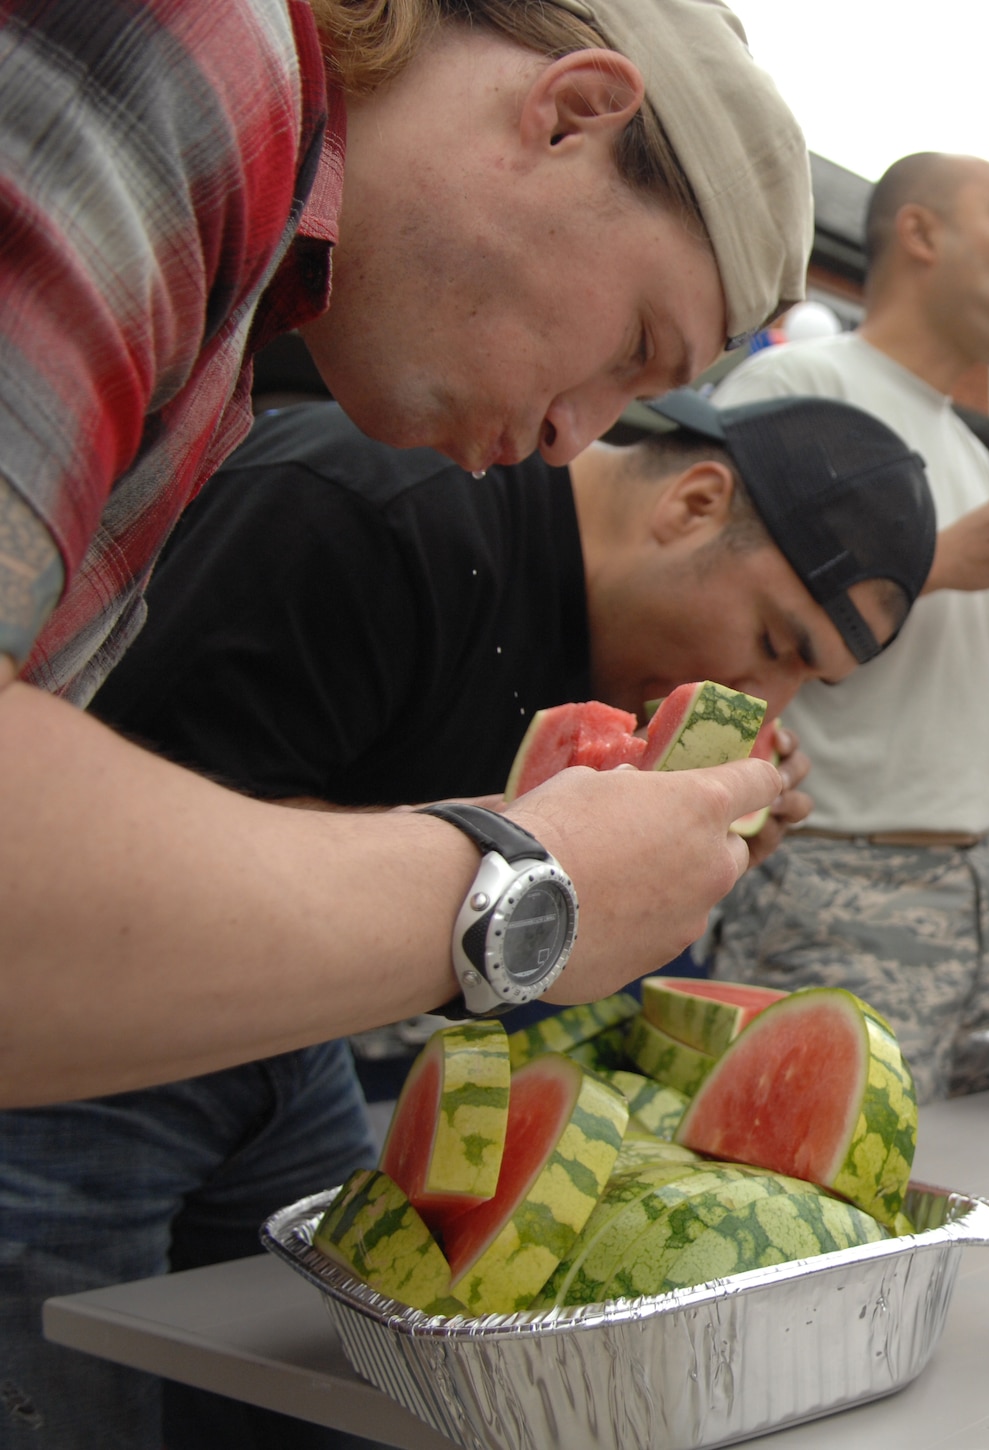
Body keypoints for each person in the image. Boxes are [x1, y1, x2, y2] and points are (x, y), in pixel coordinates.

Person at [0, 391, 936, 1449]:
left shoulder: (606, 634)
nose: (766, 701)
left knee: (333, 1408)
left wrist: (656, 852)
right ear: (692, 501)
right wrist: (542, 876)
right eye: (773, 642)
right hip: (71, 1061)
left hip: (292, 1046)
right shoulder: (369, 506)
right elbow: (147, 858)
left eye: (805, 682)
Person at [0, 0, 810, 1108]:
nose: (575, 435)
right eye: (632, 345)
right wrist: (520, 887)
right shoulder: (199, 44)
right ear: (570, 115)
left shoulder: (246, 304)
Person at [701, 152, 989, 1102]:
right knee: (817, 1201)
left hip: (977, 888)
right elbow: (720, 635)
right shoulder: (795, 391)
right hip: (834, 886)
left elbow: (961, 683)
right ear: (921, 233)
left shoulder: (970, 450)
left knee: (981, 1184)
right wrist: (937, 560)